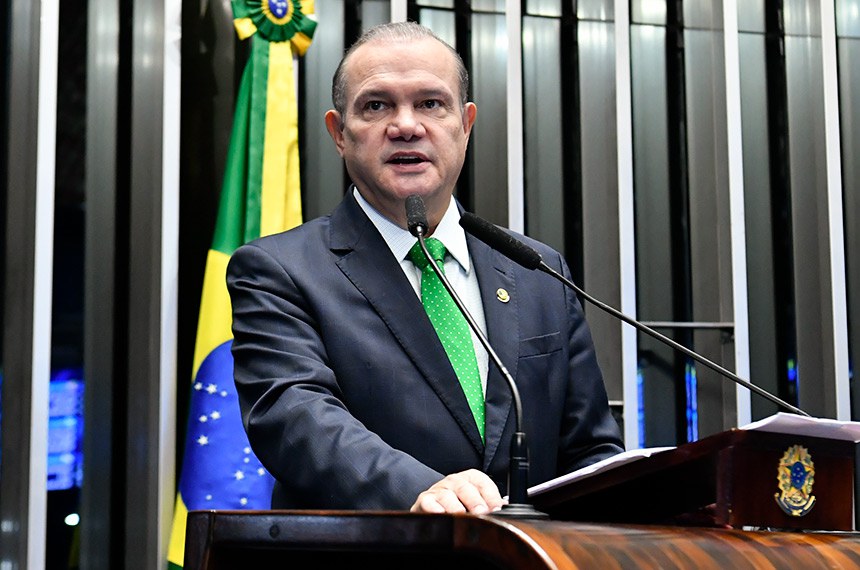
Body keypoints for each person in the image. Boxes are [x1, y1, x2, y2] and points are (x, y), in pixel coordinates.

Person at [226, 21, 624, 515]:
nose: (406, 125)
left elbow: (590, 452)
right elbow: (294, 418)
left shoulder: (536, 271)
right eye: (376, 106)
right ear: (338, 133)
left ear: (466, 124)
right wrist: (422, 488)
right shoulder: (278, 270)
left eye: (431, 104)